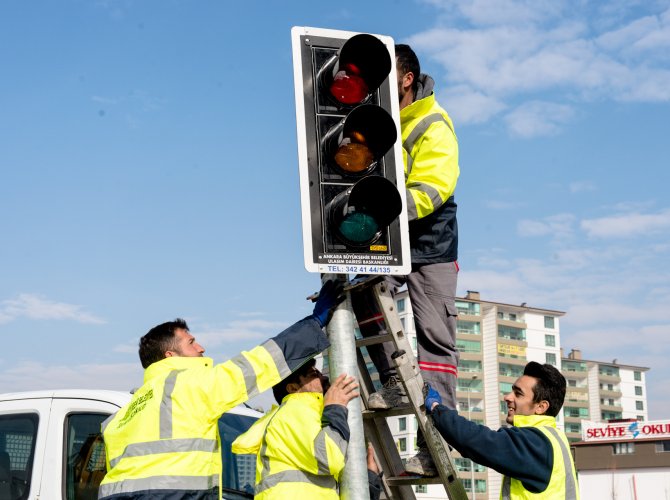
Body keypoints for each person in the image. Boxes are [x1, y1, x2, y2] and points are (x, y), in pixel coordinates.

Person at [98, 280, 344, 499]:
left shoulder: (121, 416)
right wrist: (313, 323)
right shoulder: (187, 384)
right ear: (170, 355)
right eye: (192, 342)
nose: (202, 348)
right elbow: (256, 364)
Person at [352, 43, 460, 476]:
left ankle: (435, 449)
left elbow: (436, 185)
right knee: (362, 299)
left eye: (386, 75)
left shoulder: (431, 122)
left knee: (434, 340)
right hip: (389, 238)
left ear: (407, 78)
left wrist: (390, 211)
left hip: (430, 244)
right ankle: (395, 382)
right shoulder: (377, 122)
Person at [425, 362, 580, 499]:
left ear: (541, 407)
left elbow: (479, 441)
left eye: (518, 393)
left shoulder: (537, 442)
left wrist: (436, 409)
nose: (507, 397)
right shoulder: (554, 439)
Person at [231, 358, 359, 498]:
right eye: (313, 375)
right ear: (292, 388)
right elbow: (327, 459)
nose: (324, 377)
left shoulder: (298, 413)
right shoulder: (296, 407)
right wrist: (335, 408)